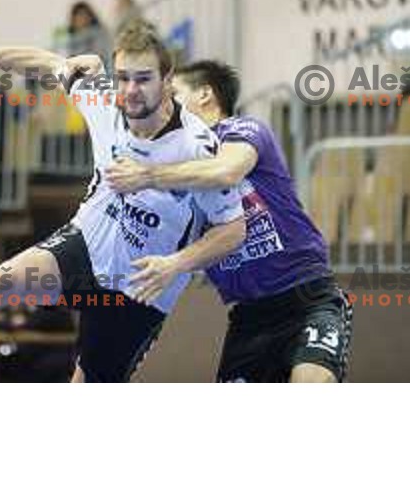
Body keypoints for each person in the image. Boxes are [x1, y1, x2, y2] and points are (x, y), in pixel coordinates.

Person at [0, 21, 245, 383]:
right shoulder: (105, 103)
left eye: (143, 79)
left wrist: (176, 264)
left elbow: (233, 230)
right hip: (85, 247)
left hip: (140, 290)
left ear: (167, 78)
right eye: (122, 78)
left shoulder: (198, 147)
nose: (131, 91)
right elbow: (45, 63)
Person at [104, 60, 353, 383]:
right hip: (249, 318)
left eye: (174, 93)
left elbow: (226, 171)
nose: (164, 104)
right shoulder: (176, 166)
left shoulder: (243, 130)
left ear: (205, 94)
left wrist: (147, 176)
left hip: (307, 301)